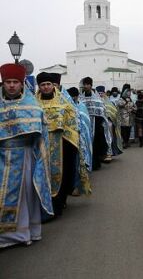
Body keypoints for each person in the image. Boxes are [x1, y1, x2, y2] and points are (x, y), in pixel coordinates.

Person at [0, 64, 53, 248]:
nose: (12, 85)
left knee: (24, 197)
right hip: (1, 158)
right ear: (3, 83)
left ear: (22, 84)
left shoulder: (32, 106)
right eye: (8, 82)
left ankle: (23, 234)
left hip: (24, 158)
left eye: (15, 82)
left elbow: (41, 136)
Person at [36, 72, 80, 218]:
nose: (46, 87)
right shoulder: (34, 103)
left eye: (48, 84)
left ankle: (58, 204)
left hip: (62, 145)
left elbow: (72, 122)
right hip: (40, 146)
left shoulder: (64, 102)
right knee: (42, 175)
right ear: (39, 86)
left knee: (61, 174)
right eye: (43, 85)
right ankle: (43, 205)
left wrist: (69, 141)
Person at [79, 77, 111, 170]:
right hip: (85, 124)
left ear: (91, 85)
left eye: (88, 84)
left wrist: (99, 122)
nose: (86, 86)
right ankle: (87, 162)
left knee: (95, 143)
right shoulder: (81, 98)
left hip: (96, 124)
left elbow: (102, 110)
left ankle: (96, 162)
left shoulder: (97, 98)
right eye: (85, 84)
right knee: (85, 142)